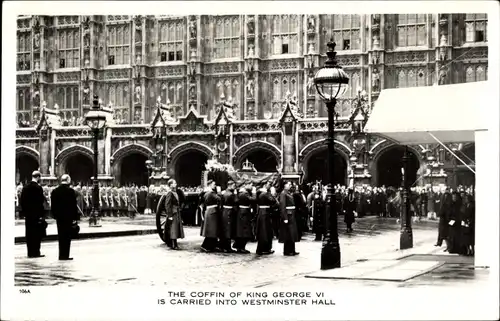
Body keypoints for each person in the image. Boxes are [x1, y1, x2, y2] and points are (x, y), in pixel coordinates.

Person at [50, 174, 79, 260]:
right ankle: (65, 255)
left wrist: (55, 215)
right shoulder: (70, 191)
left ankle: (61, 255)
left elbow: (53, 205)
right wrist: (75, 218)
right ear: (68, 180)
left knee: (61, 236)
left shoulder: (55, 191)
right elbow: (73, 206)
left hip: (59, 218)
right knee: (67, 237)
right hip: (68, 218)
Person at [20, 171, 47, 258]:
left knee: (29, 233)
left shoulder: (25, 187)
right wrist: (41, 215)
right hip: (36, 215)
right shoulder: (38, 188)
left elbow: (22, 201)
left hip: (28, 215)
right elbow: (40, 202)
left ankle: (30, 252)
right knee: (37, 234)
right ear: (38, 177)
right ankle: (36, 252)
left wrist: (25, 212)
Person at [255, 181, 278, 255]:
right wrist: (273, 194)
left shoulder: (260, 192)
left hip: (263, 212)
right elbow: (273, 201)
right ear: (265, 185)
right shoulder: (265, 194)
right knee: (265, 231)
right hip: (265, 213)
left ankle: (263, 248)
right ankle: (264, 248)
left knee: (264, 231)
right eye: (269, 184)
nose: (270, 186)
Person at [233, 184, 256, 254]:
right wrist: (254, 192)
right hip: (244, 213)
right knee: (245, 231)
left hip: (241, 212)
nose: (251, 186)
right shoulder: (244, 193)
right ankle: (241, 247)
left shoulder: (240, 193)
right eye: (250, 184)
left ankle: (238, 246)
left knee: (242, 230)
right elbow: (253, 200)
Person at [279, 181, 299, 256]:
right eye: (288, 184)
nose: (290, 185)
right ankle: (287, 251)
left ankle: (292, 250)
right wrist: (285, 217)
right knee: (288, 234)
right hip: (288, 215)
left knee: (292, 234)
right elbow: (282, 205)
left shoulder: (288, 192)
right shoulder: (283, 193)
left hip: (291, 214)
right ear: (284, 185)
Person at [200, 180, 221, 252]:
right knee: (212, 230)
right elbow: (219, 199)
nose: (214, 186)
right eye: (213, 184)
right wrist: (219, 192)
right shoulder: (211, 193)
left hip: (209, 211)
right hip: (212, 212)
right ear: (210, 185)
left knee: (211, 230)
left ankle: (211, 246)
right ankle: (205, 246)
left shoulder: (205, 192)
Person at [164, 179, 185, 250]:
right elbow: (167, 205)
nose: (175, 184)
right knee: (173, 229)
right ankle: (173, 245)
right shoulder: (170, 193)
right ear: (170, 185)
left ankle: (175, 244)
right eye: (174, 183)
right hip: (173, 213)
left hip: (176, 212)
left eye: (175, 183)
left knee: (175, 229)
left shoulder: (175, 192)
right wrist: (169, 215)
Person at [219, 180, 237, 253]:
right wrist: (235, 194)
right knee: (228, 230)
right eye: (233, 186)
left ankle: (223, 246)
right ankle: (227, 247)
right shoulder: (231, 194)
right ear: (230, 185)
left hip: (224, 211)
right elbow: (236, 201)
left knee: (225, 229)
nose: (234, 187)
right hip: (229, 212)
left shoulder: (223, 193)